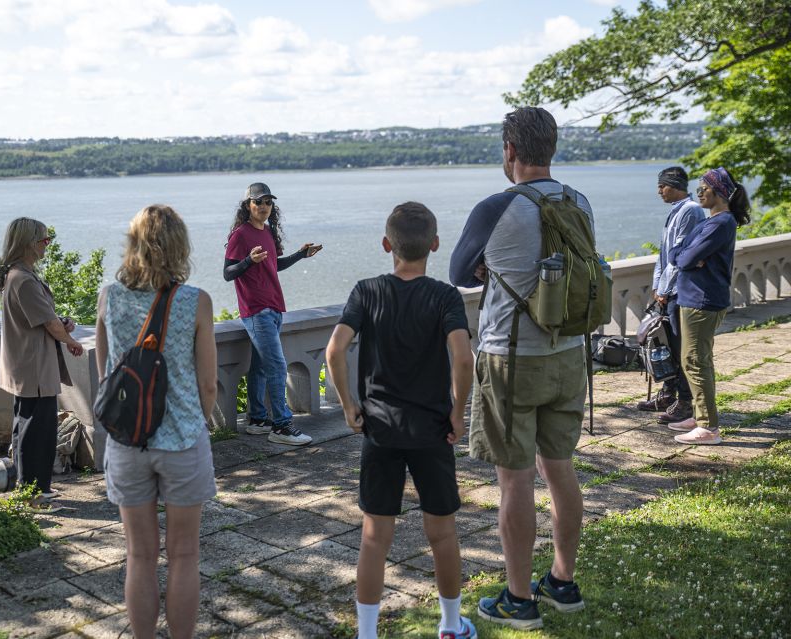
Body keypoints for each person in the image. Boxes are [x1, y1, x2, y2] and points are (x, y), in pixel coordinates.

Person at [450, 107, 590, 631]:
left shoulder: (497, 206)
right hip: (569, 354)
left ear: (509, 150)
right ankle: (562, 582)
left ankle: (517, 598)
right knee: (559, 469)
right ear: (551, 149)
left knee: (514, 482)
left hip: (511, 361)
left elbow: (458, 271)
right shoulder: (579, 202)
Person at [326, 202, 476, 639]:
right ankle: (450, 625)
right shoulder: (445, 295)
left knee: (374, 538)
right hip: (432, 430)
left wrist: (348, 405)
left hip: (380, 429)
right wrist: (457, 412)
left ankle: (367, 634)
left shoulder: (366, 291)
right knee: (443, 535)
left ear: (387, 244)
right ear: (434, 245)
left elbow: (335, 351)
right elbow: (463, 358)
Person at [95, 205, 218, 639]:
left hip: (127, 442)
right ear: (179, 246)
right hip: (182, 440)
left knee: (139, 555)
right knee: (184, 554)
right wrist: (197, 424)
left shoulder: (109, 298)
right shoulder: (196, 302)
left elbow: (106, 374)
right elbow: (208, 384)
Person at [224, 182, 322, 446]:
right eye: (259, 202)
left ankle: (257, 419)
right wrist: (247, 261)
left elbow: (273, 265)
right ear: (248, 206)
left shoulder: (267, 231)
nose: (264, 206)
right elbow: (227, 273)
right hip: (256, 311)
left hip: (275, 307)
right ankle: (281, 425)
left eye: (268, 202)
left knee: (260, 368)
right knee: (278, 366)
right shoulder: (240, 235)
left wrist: (301, 255)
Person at [0, 217, 84, 506]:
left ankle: (30, 488)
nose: (47, 245)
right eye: (45, 240)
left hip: (27, 365)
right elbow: (48, 324)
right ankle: (36, 493)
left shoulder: (17, 276)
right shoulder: (23, 280)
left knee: (27, 427)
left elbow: (44, 319)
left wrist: (62, 323)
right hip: (34, 368)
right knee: (38, 432)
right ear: (30, 244)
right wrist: (71, 340)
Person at [666, 168, 751, 445]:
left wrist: (688, 257)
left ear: (718, 192)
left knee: (695, 361)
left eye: (704, 188)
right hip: (694, 298)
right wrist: (687, 256)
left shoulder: (720, 223)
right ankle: (700, 415)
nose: (699, 192)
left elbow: (686, 257)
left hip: (701, 302)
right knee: (696, 360)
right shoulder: (711, 221)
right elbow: (678, 254)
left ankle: (708, 428)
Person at [636, 167, 705, 422]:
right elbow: (663, 255)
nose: (659, 191)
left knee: (679, 348)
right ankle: (669, 392)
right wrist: (657, 285)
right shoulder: (676, 211)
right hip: (668, 291)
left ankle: (685, 403)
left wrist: (664, 289)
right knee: (663, 344)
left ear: (674, 185)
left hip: (679, 291)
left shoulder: (689, 211)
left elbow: (680, 256)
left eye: (662, 186)